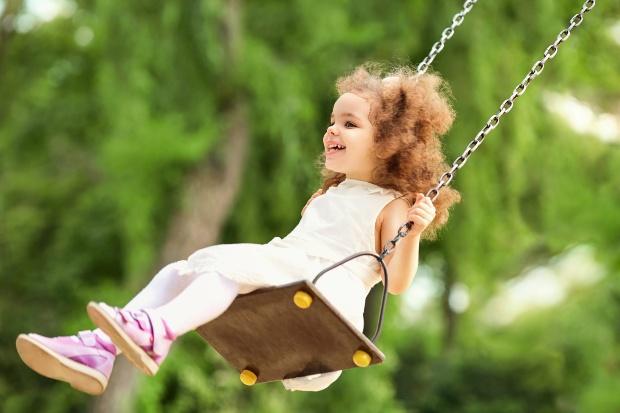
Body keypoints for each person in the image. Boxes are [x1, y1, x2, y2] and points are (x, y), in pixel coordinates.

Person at [15, 62, 461, 395]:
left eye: (349, 123)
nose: (331, 130)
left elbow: (397, 283)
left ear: (389, 143)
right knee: (181, 271)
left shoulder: (395, 206)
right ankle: (98, 350)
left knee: (224, 269)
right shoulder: (327, 196)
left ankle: (156, 333)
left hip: (328, 300)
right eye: (331, 121)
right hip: (293, 278)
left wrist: (415, 231)